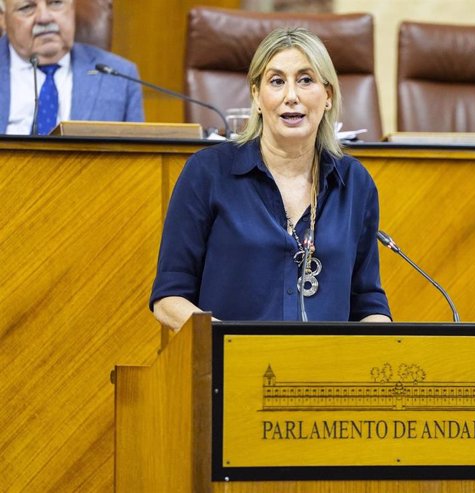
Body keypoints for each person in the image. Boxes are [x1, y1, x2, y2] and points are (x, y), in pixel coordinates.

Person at [150, 27, 391, 331]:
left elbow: (368, 301)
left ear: (328, 96)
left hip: (324, 372)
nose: (291, 96)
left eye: (306, 80)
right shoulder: (207, 173)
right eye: (277, 82)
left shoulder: (355, 183)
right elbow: (169, 298)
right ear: (257, 96)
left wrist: (380, 347)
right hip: (228, 370)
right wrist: (231, 345)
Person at [0, 0, 143, 135]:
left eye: (56, 3)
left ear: (72, 7)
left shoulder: (120, 77)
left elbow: (140, 159)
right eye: (27, 8)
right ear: (3, 18)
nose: (44, 18)